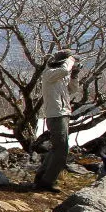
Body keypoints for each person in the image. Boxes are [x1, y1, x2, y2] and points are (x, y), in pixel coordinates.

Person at [34, 49, 80, 192]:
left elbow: (72, 90)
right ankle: (48, 181)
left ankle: (42, 176)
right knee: (61, 150)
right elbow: (64, 71)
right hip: (56, 114)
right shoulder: (49, 74)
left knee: (56, 148)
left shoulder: (58, 76)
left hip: (63, 112)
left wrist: (75, 76)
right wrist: (71, 60)